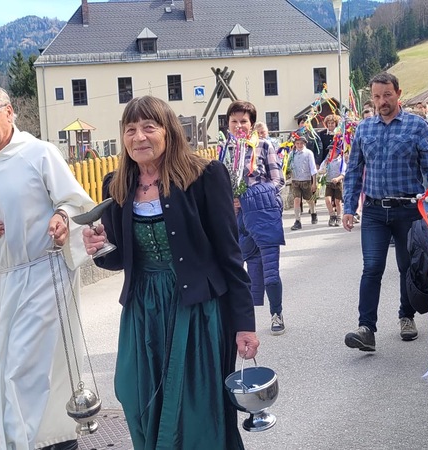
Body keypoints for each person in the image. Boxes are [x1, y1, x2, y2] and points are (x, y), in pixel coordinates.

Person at [81, 95, 259, 449]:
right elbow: (119, 258)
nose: (139, 137)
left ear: (168, 131)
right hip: (142, 310)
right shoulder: (116, 184)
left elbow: (230, 255)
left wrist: (244, 323)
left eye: (149, 127)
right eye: (130, 129)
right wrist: (98, 247)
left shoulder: (204, 176)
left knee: (196, 408)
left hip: (196, 311)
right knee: (137, 397)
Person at [0, 82, 95, 450]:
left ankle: (48, 441)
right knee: (4, 372)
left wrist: (62, 217)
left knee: (26, 370)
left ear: (8, 111)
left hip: (45, 274)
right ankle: (31, 442)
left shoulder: (40, 153)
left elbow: (75, 202)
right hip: (5, 280)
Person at [341, 72, 428, 352]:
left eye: (387, 95)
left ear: (398, 93)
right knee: (372, 267)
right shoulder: (364, 129)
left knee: (406, 265)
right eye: (376, 96)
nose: (382, 101)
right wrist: (349, 207)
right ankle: (366, 328)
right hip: (374, 211)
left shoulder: (417, 126)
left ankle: (406, 316)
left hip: (408, 210)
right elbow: (353, 171)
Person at [225, 100, 287, 335]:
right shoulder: (224, 150)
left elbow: (278, 181)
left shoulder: (263, 145)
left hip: (262, 216)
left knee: (270, 272)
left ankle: (276, 313)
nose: (239, 125)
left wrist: (248, 198)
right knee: (238, 273)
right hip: (236, 220)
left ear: (251, 124)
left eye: (243, 121)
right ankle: (241, 322)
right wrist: (229, 200)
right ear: (228, 124)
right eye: (234, 121)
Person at [288, 135, 318, 230]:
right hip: (295, 181)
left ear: (304, 143)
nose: (299, 145)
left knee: (309, 199)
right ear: (294, 144)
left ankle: (313, 212)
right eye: (297, 143)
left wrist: (314, 182)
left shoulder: (308, 153)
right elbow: (288, 166)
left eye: (301, 143)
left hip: (306, 180)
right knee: (296, 200)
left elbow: (313, 168)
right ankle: (297, 221)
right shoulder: (292, 154)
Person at [318, 143, 345, 227]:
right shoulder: (327, 161)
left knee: (338, 201)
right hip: (329, 183)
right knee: (328, 200)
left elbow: (343, 173)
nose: (331, 153)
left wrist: (338, 178)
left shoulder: (341, 161)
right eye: (330, 151)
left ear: (338, 152)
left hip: (338, 183)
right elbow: (321, 171)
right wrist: (323, 168)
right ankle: (332, 215)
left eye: (333, 151)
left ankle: (339, 216)